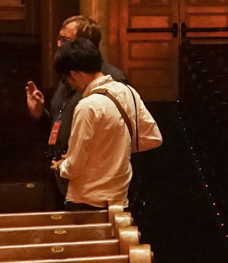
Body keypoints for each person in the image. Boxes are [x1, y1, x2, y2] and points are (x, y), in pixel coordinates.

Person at [52, 37, 161, 213]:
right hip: (119, 200)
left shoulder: (87, 106)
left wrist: (60, 167)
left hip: (86, 202)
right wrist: (116, 149)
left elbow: (75, 167)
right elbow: (153, 138)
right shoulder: (128, 92)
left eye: (67, 79)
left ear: (75, 74)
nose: (70, 84)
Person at [24, 14, 113, 197]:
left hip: (88, 180)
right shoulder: (68, 76)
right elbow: (58, 125)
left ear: (84, 44)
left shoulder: (109, 80)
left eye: (64, 40)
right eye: (59, 38)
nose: (58, 45)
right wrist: (40, 113)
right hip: (60, 170)